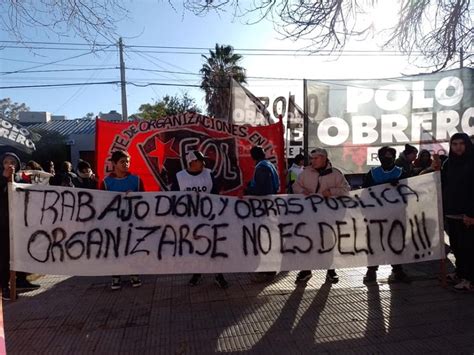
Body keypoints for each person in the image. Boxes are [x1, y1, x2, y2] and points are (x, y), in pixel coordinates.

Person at [171, 150, 229, 289]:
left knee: (213, 246)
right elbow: (174, 197)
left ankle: (218, 274)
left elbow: (216, 194)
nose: (203, 163)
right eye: (199, 160)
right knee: (196, 248)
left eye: (203, 160)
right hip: (190, 219)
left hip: (209, 217)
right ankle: (197, 273)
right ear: (191, 162)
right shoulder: (180, 177)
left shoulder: (209, 173)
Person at [292, 148, 350, 284]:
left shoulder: (336, 174)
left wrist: (332, 191)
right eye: (311, 158)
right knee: (308, 243)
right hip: (309, 216)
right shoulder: (305, 173)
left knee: (328, 243)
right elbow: (295, 186)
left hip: (328, 217)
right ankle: (306, 270)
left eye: (316, 158)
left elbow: (346, 190)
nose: (312, 161)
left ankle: (331, 271)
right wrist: (301, 190)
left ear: (324, 158)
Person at [362, 146, 410, 283]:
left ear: (394, 158)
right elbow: (366, 192)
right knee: (374, 242)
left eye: (390, 156)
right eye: (384, 156)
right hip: (376, 215)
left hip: (396, 215)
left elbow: (407, 192)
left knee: (396, 242)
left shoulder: (401, 173)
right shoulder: (372, 173)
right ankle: (371, 270)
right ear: (379, 157)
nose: (387, 158)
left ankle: (398, 269)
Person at [0, 153, 41, 301]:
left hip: (19, 222)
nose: (9, 164)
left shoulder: (18, 179)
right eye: (6, 162)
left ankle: (21, 279)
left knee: (21, 252)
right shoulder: (2, 178)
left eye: (12, 162)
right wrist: (4, 179)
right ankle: (4, 286)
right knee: (5, 256)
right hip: (3, 225)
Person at [100, 150, 143, 290]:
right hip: (114, 224)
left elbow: (146, 201)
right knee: (115, 249)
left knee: (132, 248)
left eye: (128, 161)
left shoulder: (136, 180)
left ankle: (134, 274)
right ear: (114, 163)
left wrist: (135, 197)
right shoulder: (106, 182)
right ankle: (116, 276)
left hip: (132, 222)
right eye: (122, 162)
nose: (126, 164)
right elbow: (100, 203)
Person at [441, 133, 474, 291]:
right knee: (457, 246)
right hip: (452, 212)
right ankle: (460, 273)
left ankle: (470, 279)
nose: (458, 147)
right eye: (454, 144)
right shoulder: (448, 163)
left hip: (467, 215)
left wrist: (471, 213)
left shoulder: (472, 162)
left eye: (461, 143)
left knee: (468, 247)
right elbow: (444, 184)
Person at [245, 146, 280, 282]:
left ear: (253, 156)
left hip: (263, 208)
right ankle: (269, 268)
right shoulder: (268, 165)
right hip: (269, 206)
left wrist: (248, 190)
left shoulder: (261, 167)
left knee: (263, 239)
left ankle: (267, 269)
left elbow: (261, 190)